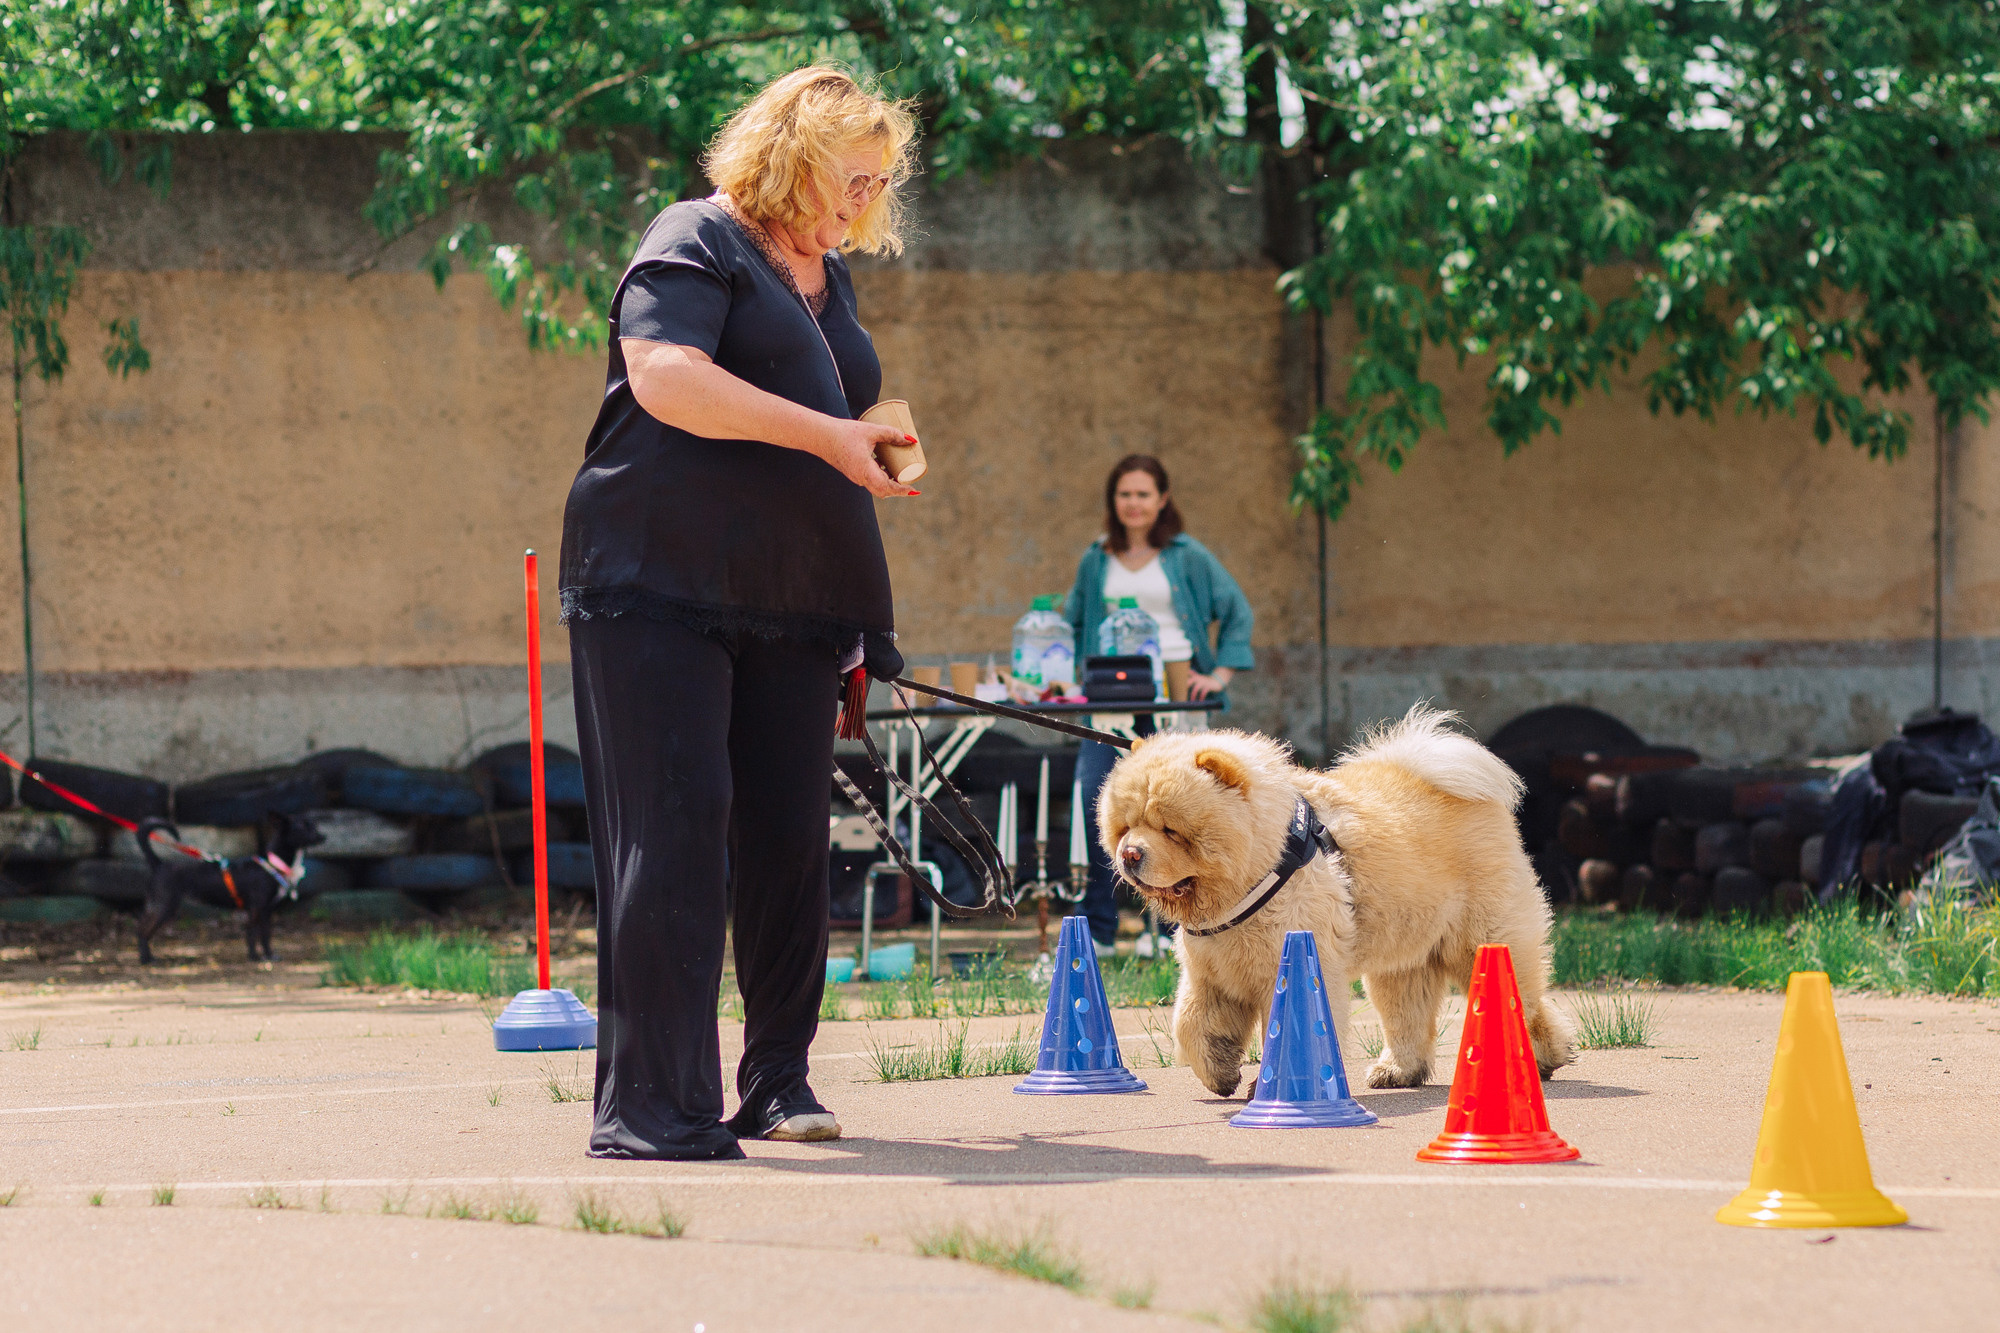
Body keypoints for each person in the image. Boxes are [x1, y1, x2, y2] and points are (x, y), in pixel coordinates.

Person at [558, 67, 919, 1161]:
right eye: (849, 176)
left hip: (792, 601)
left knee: (787, 841)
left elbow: (827, 421)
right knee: (674, 832)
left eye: (878, 182)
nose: (864, 199)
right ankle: (653, 1108)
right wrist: (829, 436)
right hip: (654, 584)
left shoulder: (828, 276)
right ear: (790, 157)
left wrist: (872, 444)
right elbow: (666, 377)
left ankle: (775, 1080)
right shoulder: (696, 236)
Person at [1065, 455, 1254, 953]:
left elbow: (1237, 612)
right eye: (1124, 494)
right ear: (1113, 500)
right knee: (1098, 800)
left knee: (1176, 813)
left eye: (1143, 494)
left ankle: (1179, 930)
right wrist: (1068, 676)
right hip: (1110, 695)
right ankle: (1099, 930)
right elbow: (1073, 624)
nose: (1134, 503)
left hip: (1173, 695)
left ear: (1162, 499)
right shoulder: (1096, 558)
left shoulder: (1187, 556)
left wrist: (1218, 675)